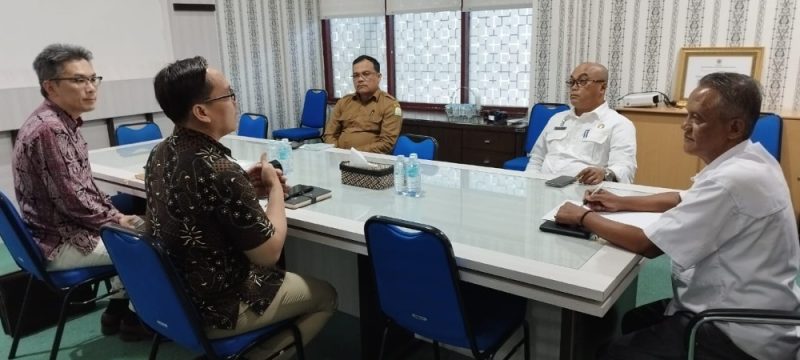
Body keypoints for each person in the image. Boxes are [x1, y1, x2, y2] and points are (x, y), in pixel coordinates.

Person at [555, 72, 800, 359]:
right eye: (687, 115)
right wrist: (621, 201)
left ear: (734, 127)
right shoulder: (752, 158)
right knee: (633, 320)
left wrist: (582, 217)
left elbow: (647, 244)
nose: (685, 125)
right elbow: (681, 198)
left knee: (611, 352)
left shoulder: (732, 180)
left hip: (735, 329)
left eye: (697, 118)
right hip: (746, 304)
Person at [146, 56, 337, 358]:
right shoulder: (220, 169)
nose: (235, 102)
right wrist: (274, 189)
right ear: (201, 112)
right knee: (326, 296)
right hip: (218, 304)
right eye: (228, 95)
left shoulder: (159, 152)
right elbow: (269, 254)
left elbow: (196, 203)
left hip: (174, 295)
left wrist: (243, 186)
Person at [12, 43, 150, 341]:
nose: (90, 87)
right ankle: (138, 319)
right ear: (50, 86)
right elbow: (74, 201)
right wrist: (117, 220)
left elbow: (81, 188)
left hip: (61, 229)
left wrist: (115, 216)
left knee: (134, 223)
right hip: (61, 241)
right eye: (78, 80)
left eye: (92, 78)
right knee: (155, 243)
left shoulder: (59, 121)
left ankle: (116, 311)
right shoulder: (50, 129)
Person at [526, 62, 636, 185]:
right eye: (572, 82)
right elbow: (536, 159)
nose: (574, 87)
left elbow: (625, 169)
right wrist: (530, 184)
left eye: (582, 81)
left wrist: (604, 174)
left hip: (584, 190)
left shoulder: (619, 124)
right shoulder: (557, 119)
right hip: (544, 187)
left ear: (602, 88)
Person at [323, 55, 402, 154]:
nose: (360, 79)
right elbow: (329, 134)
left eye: (366, 74)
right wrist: (337, 152)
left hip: (370, 160)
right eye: (356, 75)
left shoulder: (390, 105)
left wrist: (353, 154)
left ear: (379, 77)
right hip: (338, 157)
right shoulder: (343, 102)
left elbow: (387, 143)